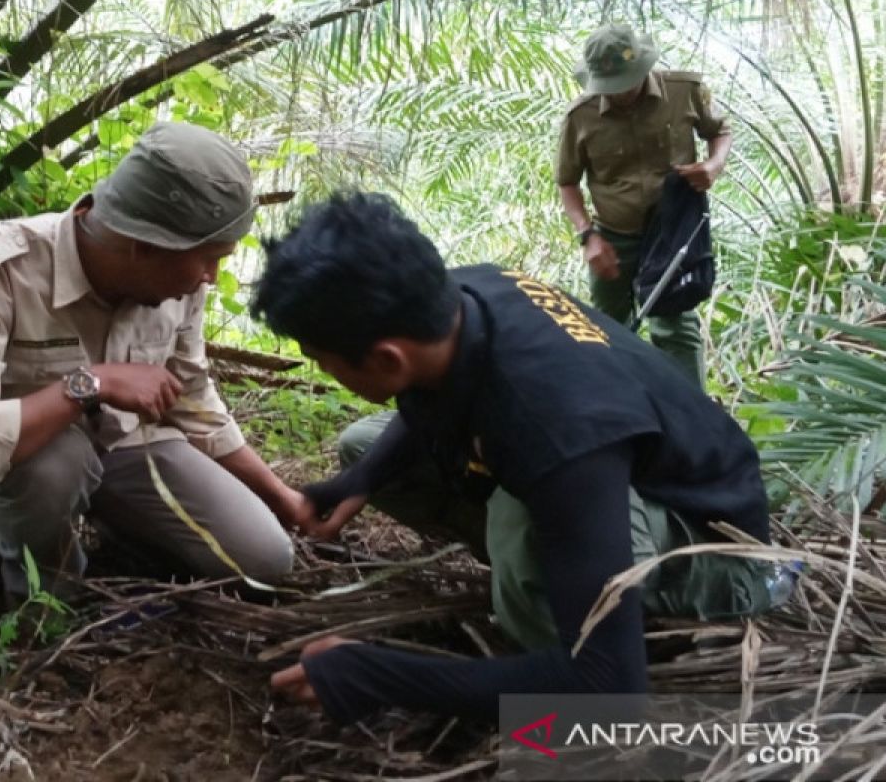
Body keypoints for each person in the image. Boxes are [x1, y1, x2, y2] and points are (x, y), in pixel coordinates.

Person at [253, 192, 781, 724]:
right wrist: (359, 481)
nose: (321, 369)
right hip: (607, 471)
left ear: (386, 358)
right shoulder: (466, 293)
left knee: (521, 519)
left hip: (723, 553)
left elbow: (608, 688)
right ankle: (556, 585)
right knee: (365, 445)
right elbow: (432, 393)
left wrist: (376, 674)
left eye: (320, 360)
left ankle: (549, 639)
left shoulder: (558, 431)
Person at [0, 122, 305, 601]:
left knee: (264, 560)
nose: (211, 278)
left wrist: (283, 498)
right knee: (58, 465)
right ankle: (45, 598)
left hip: (130, 448)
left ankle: (125, 536)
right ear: (144, 247)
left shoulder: (175, 281)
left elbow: (195, 402)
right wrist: (89, 384)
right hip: (25, 466)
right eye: (209, 260)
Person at [557, 24, 733, 387]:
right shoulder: (580, 117)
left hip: (673, 231)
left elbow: (720, 132)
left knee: (675, 329)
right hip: (612, 237)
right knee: (608, 332)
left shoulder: (685, 91)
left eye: (627, 83)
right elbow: (567, 182)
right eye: (611, 87)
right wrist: (588, 236)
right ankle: (620, 416)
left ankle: (691, 419)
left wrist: (712, 167)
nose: (620, 94)